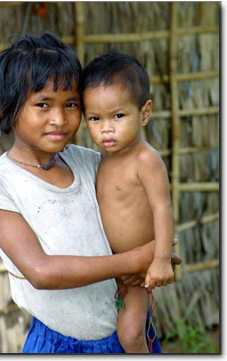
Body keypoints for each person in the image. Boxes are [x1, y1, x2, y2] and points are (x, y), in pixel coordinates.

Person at [0, 33, 180, 354]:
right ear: (6, 106)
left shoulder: (90, 162)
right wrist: (134, 260)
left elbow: (146, 216)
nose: (60, 119)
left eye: (71, 104)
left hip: (124, 332)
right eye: (43, 104)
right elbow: (41, 272)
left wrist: (158, 257)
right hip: (59, 343)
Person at [80, 51, 174, 353]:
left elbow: (162, 208)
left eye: (118, 116)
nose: (106, 128)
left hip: (137, 271)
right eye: (95, 118)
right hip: (110, 268)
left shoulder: (145, 159)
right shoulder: (102, 160)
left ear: (144, 113)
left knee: (131, 335)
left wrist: (159, 259)